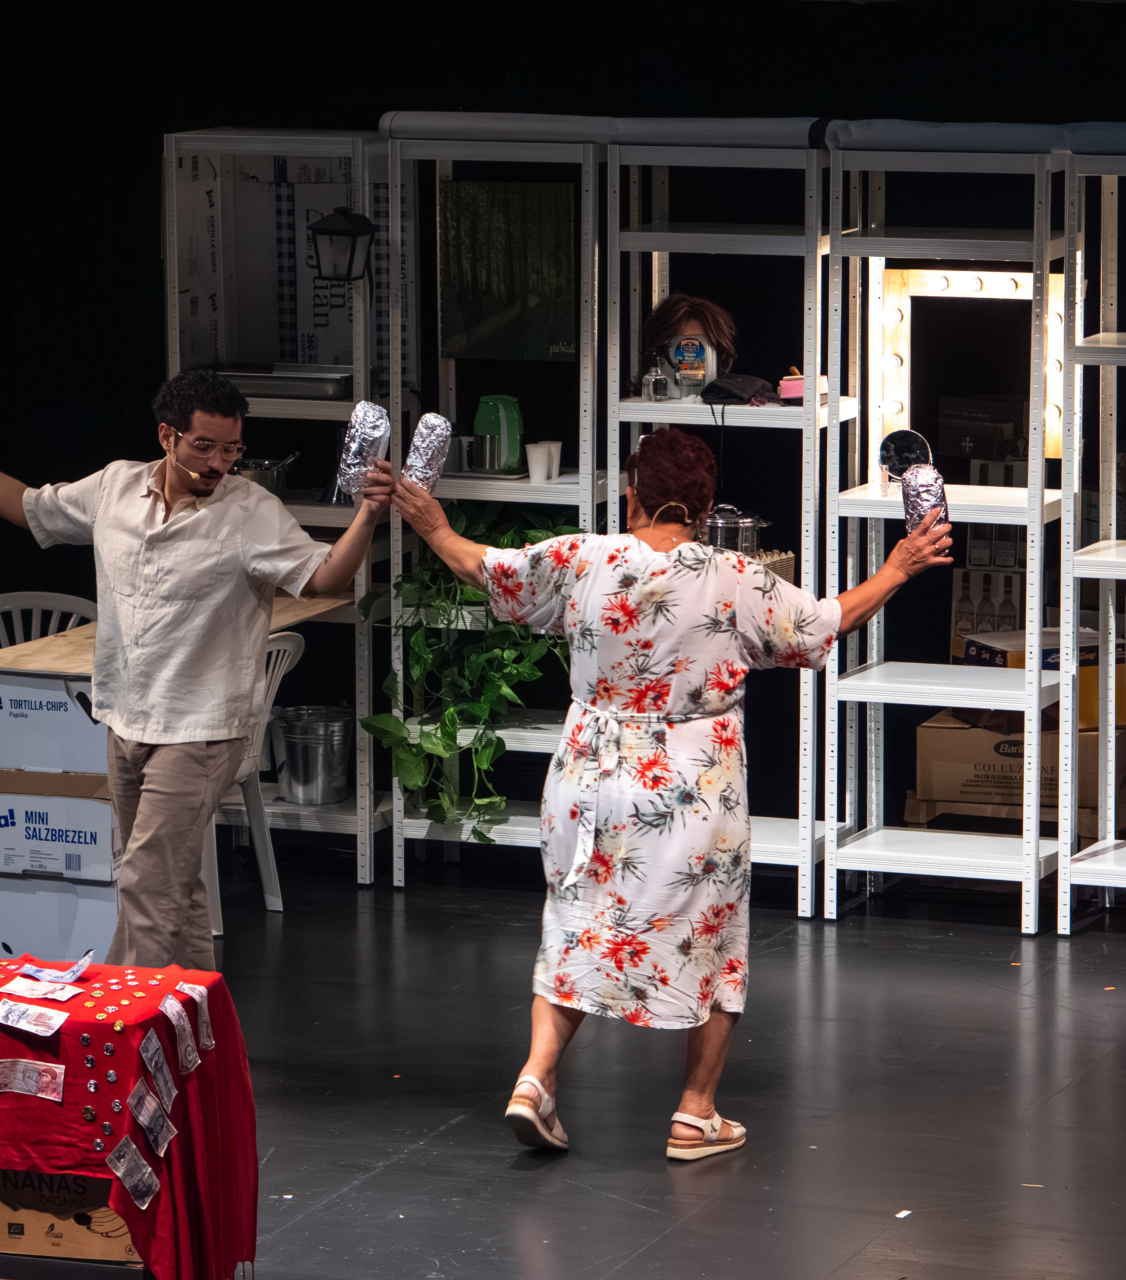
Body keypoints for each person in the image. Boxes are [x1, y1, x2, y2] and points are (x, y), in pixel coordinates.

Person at [390, 427, 950, 1160]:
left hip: (587, 779)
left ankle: (534, 1079)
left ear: (632, 496)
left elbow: (482, 566)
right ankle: (695, 1112)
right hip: (687, 787)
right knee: (713, 939)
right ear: (706, 506)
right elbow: (824, 624)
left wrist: (430, 520)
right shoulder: (732, 577)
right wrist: (900, 566)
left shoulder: (582, 559)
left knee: (577, 922)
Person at [0, 370, 393, 968]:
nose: (218, 463)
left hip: (200, 730)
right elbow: (30, 509)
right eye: (204, 447)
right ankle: (196, 1044)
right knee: (176, 895)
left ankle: (113, 1040)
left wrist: (367, 516)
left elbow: (323, 581)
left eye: (231, 449)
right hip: (127, 722)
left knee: (146, 891)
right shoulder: (114, 488)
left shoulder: (249, 511)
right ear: (167, 436)